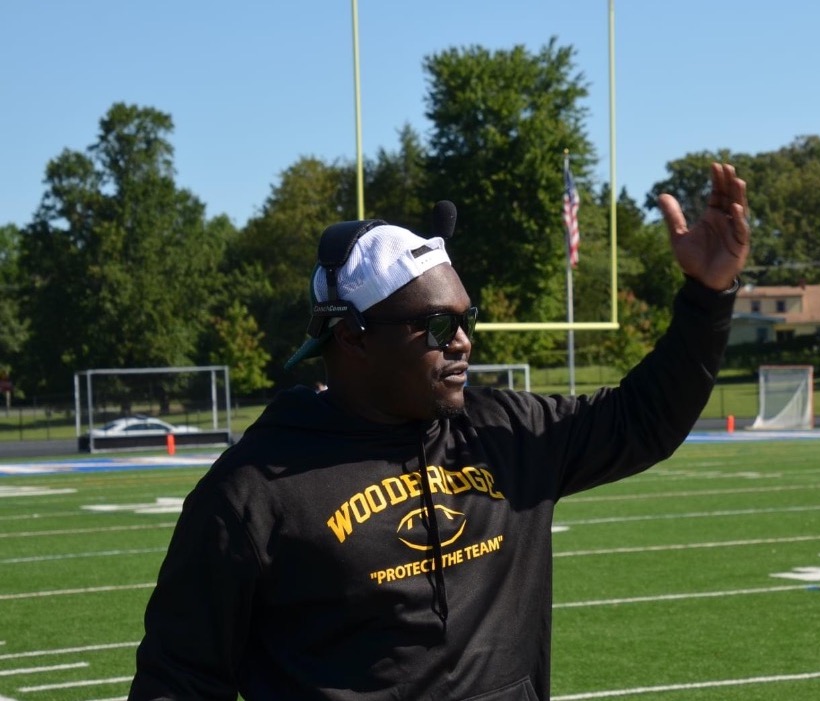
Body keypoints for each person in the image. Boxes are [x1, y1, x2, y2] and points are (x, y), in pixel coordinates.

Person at [128, 163, 750, 701]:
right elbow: (178, 679)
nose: (461, 342)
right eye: (434, 326)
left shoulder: (507, 434)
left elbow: (645, 420)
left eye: (465, 319)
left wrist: (708, 295)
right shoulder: (251, 493)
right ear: (352, 337)